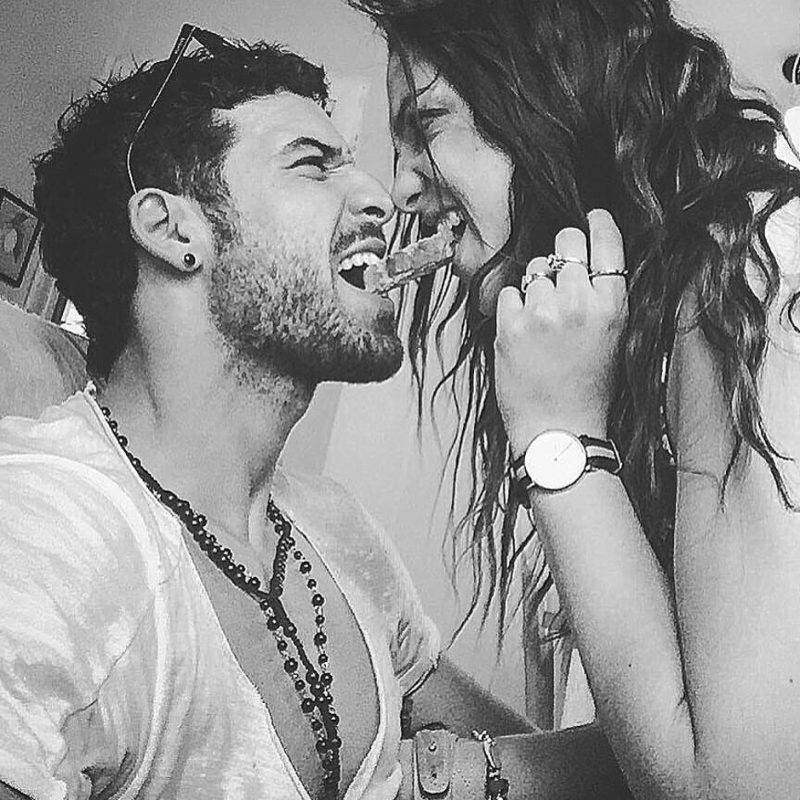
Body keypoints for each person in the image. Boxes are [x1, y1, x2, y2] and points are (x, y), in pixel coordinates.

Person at [0, 31, 544, 800]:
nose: (381, 197)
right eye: (313, 164)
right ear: (173, 230)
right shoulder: (41, 547)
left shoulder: (336, 529)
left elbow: (508, 762)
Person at [350, 0, 800, 797]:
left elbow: (738, 787)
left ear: (546, 89)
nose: (401, 186)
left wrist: (557, 434)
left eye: (427, 124)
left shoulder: (746, 277)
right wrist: (457, 775)